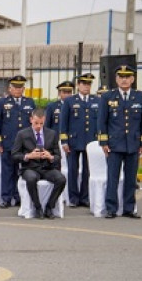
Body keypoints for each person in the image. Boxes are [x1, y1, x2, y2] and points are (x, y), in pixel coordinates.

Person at [98, 65, 142, 219]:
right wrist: (104, 143)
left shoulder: (140, 97)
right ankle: (111, 209)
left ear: (132, 79)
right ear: (116, 79)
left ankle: (129, 208)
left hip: (133, 145)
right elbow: (102, 122)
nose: (124, 80)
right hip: (114, 144)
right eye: (121, 77)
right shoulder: (108, 97)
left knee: (131, 178)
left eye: (127, 77)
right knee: (112, 177)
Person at [11, 109, 66, 219]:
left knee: (61, 179)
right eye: (36, 123)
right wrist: (28, 156)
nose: (38, 126)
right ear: (31, 120)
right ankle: (37, 207)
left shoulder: (52, 134)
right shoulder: (22, 134)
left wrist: (50, 157)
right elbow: (14, 155)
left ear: (44, 120)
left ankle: (50, 207)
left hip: (47, 167)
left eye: (41, 123)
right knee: (31, 179)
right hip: (30, 167)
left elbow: (58, 156)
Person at [0, 75, 36, 208]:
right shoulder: (2, 102)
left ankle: (18, 197)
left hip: (25, 144)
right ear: (10, 88)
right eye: (15, 87)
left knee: (22, 170)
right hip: (8, 142)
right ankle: (6, 197)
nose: (18, 90)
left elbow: (33, 123)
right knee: (7, 171)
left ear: (23, 88)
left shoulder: (30, 102)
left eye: (20, 87)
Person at [59, 73, 101, 208]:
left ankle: (85, 197)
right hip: (74, 141)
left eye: (88, 84)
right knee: (73, 170)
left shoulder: (97, 101)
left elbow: (100, 122)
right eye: (83, 84)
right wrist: (64, 141)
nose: (86, 86)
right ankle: (73, 197)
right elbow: (63, 123)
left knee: (88, 170)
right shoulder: (70, 101)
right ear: (78, 85)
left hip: (90, 141)